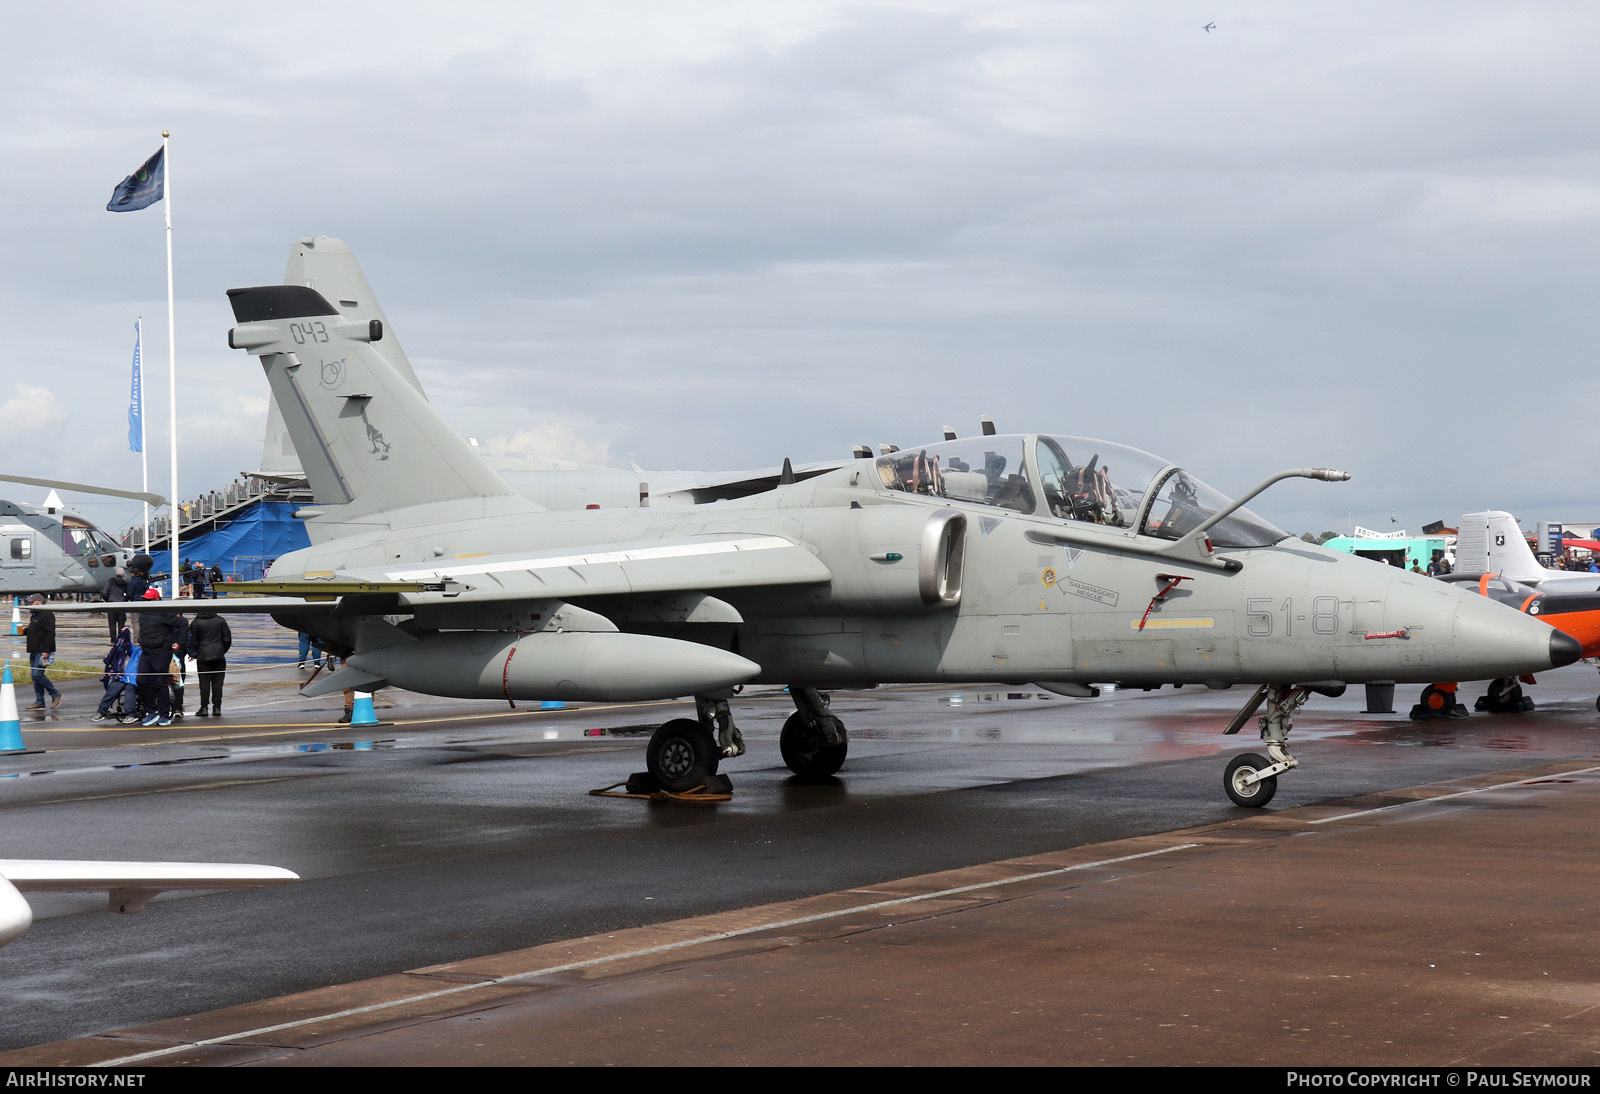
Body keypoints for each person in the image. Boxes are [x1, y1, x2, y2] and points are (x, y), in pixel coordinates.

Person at [135, 588, 183, 727]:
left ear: (156, 600)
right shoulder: (143, 613)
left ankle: (164, 713)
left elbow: (183, 624)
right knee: (141, 680)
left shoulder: (165, 613)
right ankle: (152, 711)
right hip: (146, 651)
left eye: (149, 600)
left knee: (160, 682)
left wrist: (180, 642)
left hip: (161, 652)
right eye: (145, 600)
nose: (146, 602)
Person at [189, 609, 232, 717]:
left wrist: (195, 653)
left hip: (203, 655)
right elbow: (227, 639)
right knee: (218, 683)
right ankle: (217, 707)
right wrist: (222, 650)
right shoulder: (220, 621)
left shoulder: (196, 622)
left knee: (204, 683)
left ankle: (204, 707)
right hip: (219, 655)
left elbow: (192, 640)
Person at [22, 594, 60, 711]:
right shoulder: (35, 615)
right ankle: (40, 701)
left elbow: (50, 633)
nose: (29, 604)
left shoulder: (46, 614)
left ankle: (55, 694)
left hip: (42, 651)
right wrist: (25, 631)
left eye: (31, 602)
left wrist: (46, 651)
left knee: (37, 675)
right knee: (35, 678)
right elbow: (35, 630)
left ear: (39, 602)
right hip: (34, 650)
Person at [94, 627, 136, 723]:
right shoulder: (136, 650)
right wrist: (125, 633)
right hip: (125, 677)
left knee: (130, 688)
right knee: (114, 687)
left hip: (137, 679)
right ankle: (101, 711)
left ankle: (131, 714)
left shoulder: (149, 653)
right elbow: (126, 646)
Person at [101, 567, 130, 642]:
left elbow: (105, 592)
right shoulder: (125, 583)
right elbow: (129, 593)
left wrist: (107, 600)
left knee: (112, 623)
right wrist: (125, 600)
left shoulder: (110, 582)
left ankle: (113, 640)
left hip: (112, 604)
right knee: (121, 624)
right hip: (121, 605)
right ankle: (120, 640)